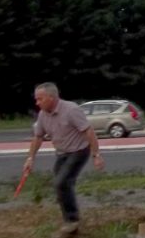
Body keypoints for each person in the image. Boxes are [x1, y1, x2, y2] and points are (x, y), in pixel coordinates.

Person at [23, 82, 104, 236]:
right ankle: (70, 220)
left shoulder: (71, 110)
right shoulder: (42, 114)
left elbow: (89, 132)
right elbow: (38, 137)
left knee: (61, 183)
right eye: (36, 99)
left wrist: (96, 155)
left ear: (51, 98)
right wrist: (30, 158)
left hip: (79, 151)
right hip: (61, 153)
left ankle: (72, 221)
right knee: (62, 186)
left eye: (40, 99)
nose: (37, 103)